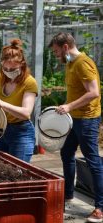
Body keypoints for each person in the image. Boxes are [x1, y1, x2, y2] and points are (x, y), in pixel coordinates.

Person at [49, 32, 103, 223]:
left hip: (87, 119)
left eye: (56, 51)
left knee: (93, 160)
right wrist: (66, 106)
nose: (56, 55)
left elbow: (94, 92)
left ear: (65, 47)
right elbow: (77, 92)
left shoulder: (82, 63)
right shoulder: (71, 63)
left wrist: (70, 106)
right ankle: (68, 195)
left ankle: (100, 207)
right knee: (66, 154)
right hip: (74, 118)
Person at [0, 38, 38, 163]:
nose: (9, 72)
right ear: (2, 64)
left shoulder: (29, 82)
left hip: (21, 132)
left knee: (18, 171)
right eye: (6, 69)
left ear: (22, 64)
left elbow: (26, 113)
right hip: (1, 130)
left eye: (13, 69)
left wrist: (2, 104)